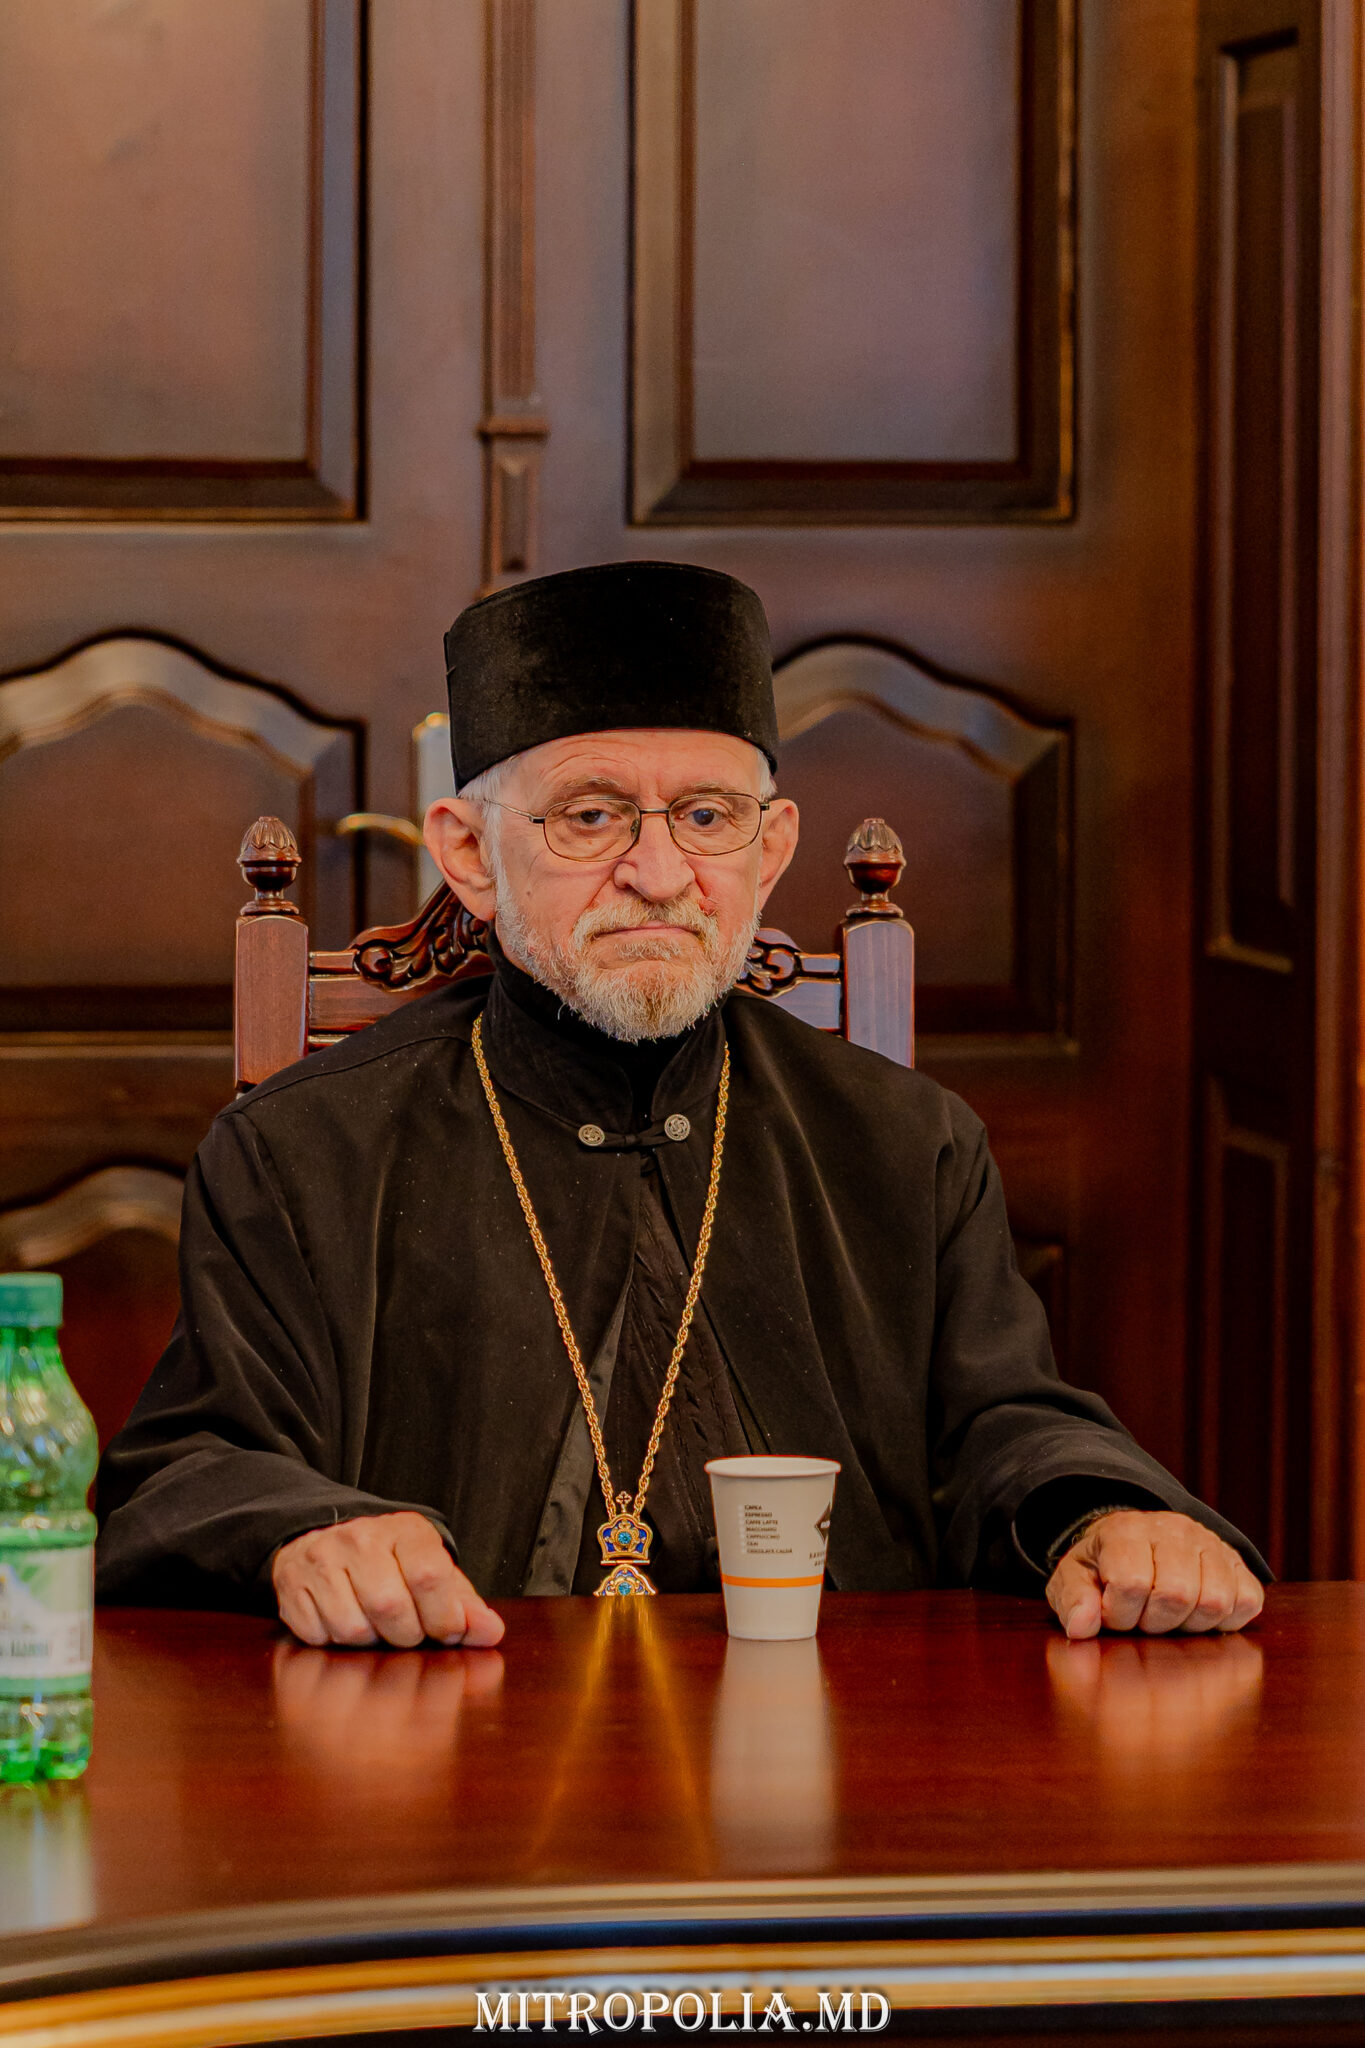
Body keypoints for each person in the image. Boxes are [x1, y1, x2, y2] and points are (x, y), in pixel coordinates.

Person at [95, 561, 1267, 1649]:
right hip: (457, 1733)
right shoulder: (299, 1152)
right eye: (589, 815)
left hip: (842, 1746)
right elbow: (192, 1464)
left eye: (707, 816)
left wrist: (1104, 1518)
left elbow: (1003, 1423)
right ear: (470, 855)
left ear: (772, 848)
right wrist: (311, 1530)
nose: (659, 874)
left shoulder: (906, 1143)